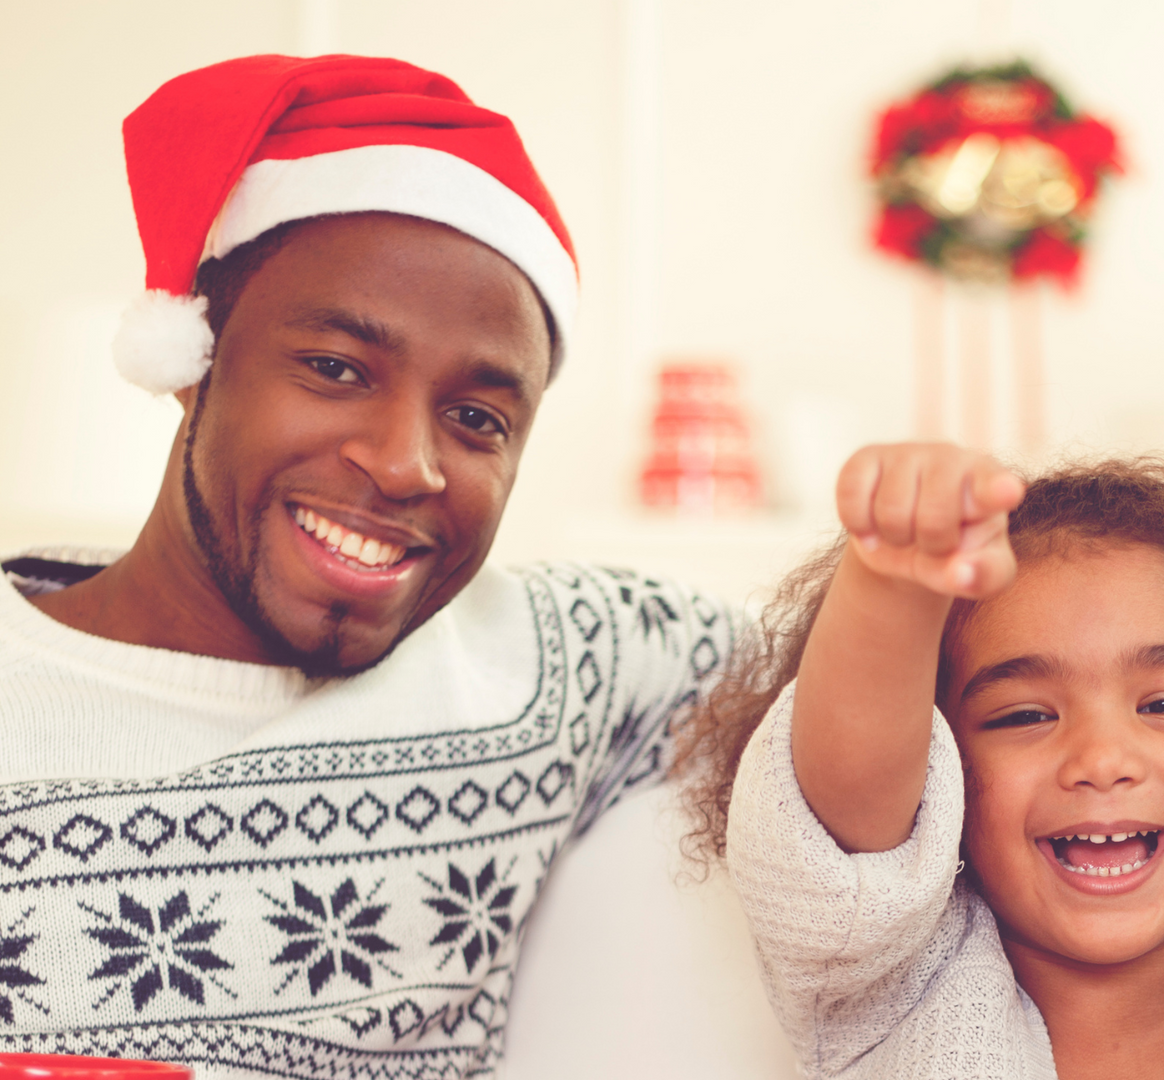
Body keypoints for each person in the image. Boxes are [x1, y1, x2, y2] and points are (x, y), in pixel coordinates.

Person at [0, 56, 731, 1077]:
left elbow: (892, 682)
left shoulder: (563, 664)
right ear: (195, 358)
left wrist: (915, 543)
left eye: (477, 418)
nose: (405, 464)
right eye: (336, 370)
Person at [678, 447, 1164, 1079]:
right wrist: (891, 584)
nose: (1101, 760)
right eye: (1024, 715)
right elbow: (848, 790)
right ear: (938, 783)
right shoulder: (896, 987)